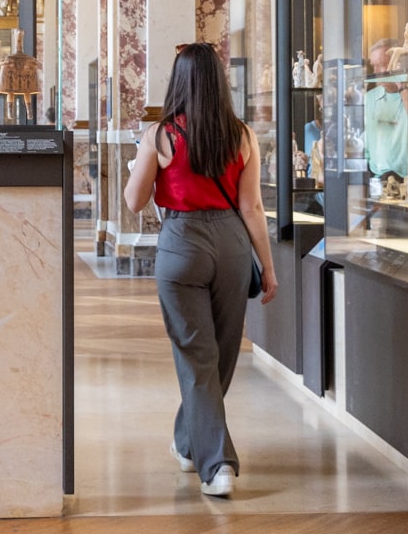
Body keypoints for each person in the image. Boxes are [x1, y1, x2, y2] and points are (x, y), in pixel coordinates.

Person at [123, 42, 276, 498]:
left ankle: (216, 464)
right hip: (231, 244)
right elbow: (252, 208)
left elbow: (133, 201)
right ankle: (191, 443)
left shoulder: (161, 135)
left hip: (181, 243)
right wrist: (267, 267)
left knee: (196, 354)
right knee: (221, 353)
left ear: (179, 81)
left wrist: (142, 165)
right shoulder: (242, 135)